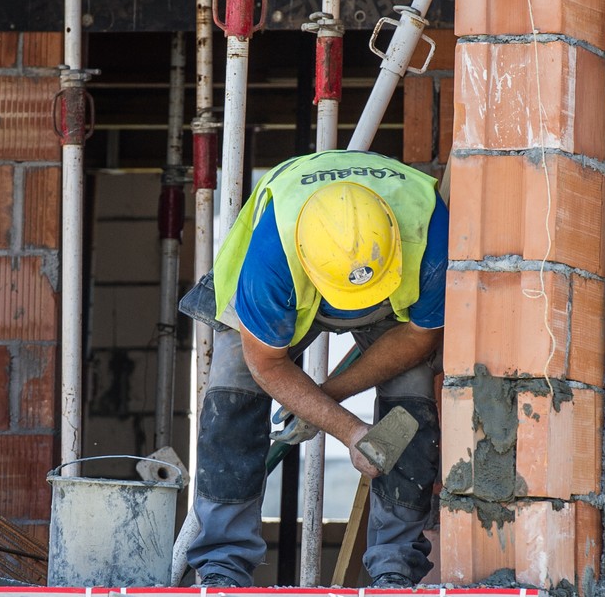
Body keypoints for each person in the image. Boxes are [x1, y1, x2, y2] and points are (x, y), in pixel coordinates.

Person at [179, 150, 447, 588]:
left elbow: (419, 338)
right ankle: (222, 565)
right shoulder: (270, 257)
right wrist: (352, 433)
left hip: (390, 285)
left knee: (412, 396)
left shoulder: (430, 229)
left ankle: (395, 565)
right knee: (232, 388)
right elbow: (266, 363)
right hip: (294, 280)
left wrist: (327, 398)